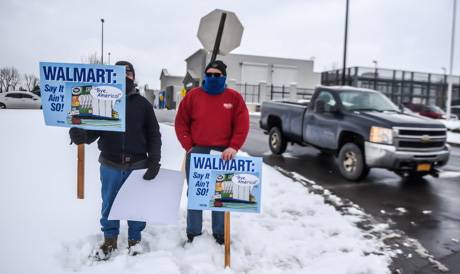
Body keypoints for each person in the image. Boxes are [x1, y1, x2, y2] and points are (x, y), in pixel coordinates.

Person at [69, 61, 161, 259]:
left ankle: (135, 239)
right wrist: (81, 135)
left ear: (133, 77)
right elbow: (93, 130)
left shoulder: (143, 105)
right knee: (109, 203)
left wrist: (154, 161)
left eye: (128, 73)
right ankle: (110, 238)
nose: (125, 76)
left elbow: (154, 134)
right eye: (120, 72)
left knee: (136, 204)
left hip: (137, 164)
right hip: (110, 164)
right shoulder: (103, 101)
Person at [175, 60, 249, 244]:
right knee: (196, 192)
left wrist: (234, 146)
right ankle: (193, 232)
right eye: (210, 74)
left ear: (224, 76)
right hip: (197, 152)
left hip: (224, 155)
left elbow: (242, 124)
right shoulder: (193, 96)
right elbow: (181, 122)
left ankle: (220, 233)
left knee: (221, 194)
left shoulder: (234, 98)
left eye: (217, 75)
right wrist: (189, 146)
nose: (213, 78)